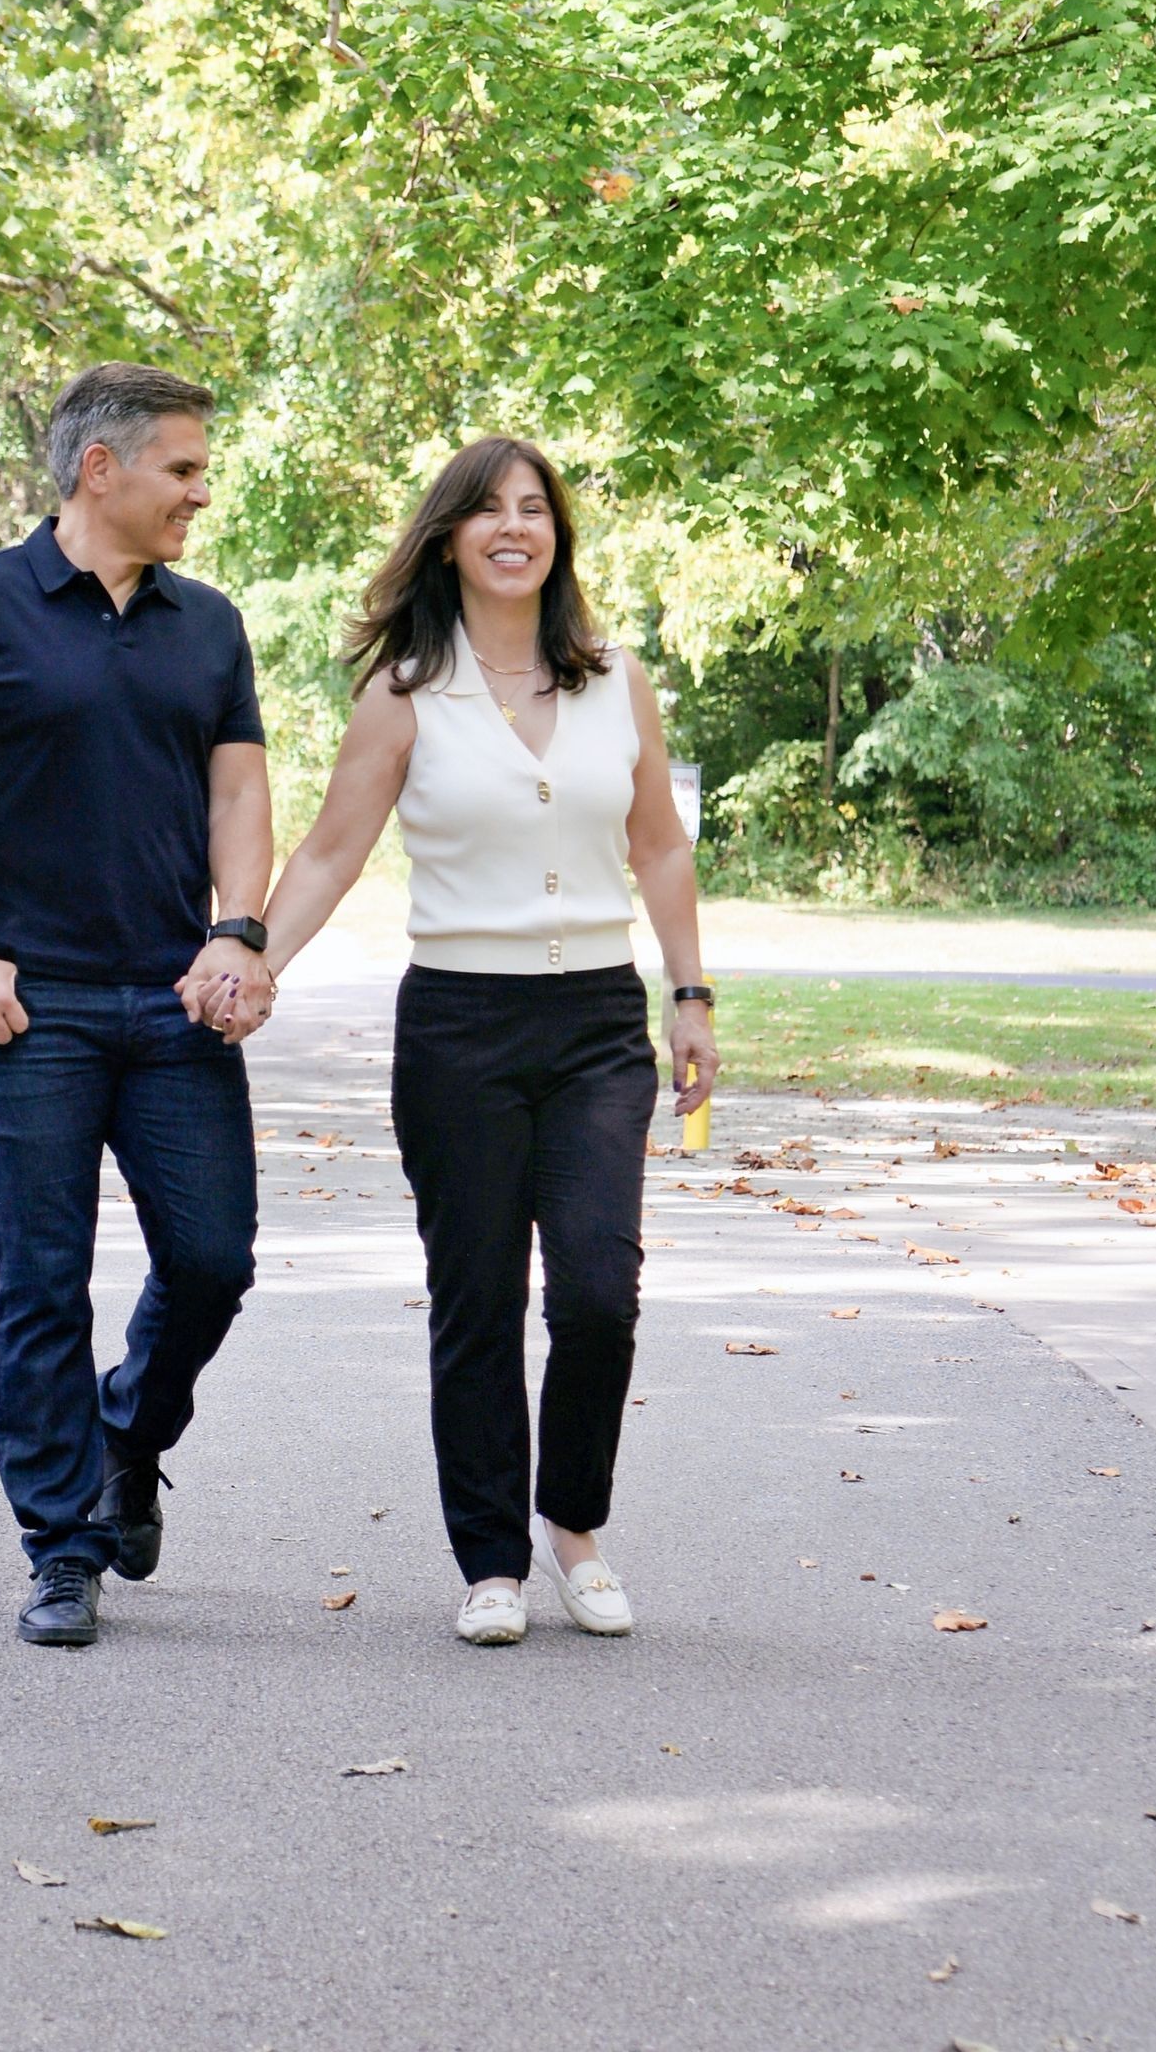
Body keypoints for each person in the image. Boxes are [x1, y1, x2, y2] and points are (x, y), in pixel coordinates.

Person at [236, 435, 718, 1645]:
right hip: (460, 1024)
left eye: (535, 509)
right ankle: (490, 1562)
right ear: (448, 536)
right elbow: (335, 850)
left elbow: (659, 844)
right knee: (478, 1298)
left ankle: (575, 1527)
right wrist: (253, 956)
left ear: (557, 536)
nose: (517, 527)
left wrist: (691, 992)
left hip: (600, 1021)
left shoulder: (615, 677)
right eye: (489, 510)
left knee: (601, 1294)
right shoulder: (406, 690)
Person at [0, 362, 276, 1650]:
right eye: (184, 470)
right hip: (23, 1014)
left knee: (212, 1259)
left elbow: (241, 798)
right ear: (102, 469)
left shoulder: (207, 624)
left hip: (172, 1006)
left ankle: (125, 1435)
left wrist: (236, 934)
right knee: (44, 1277)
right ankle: (62, 1546)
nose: (201, 493)